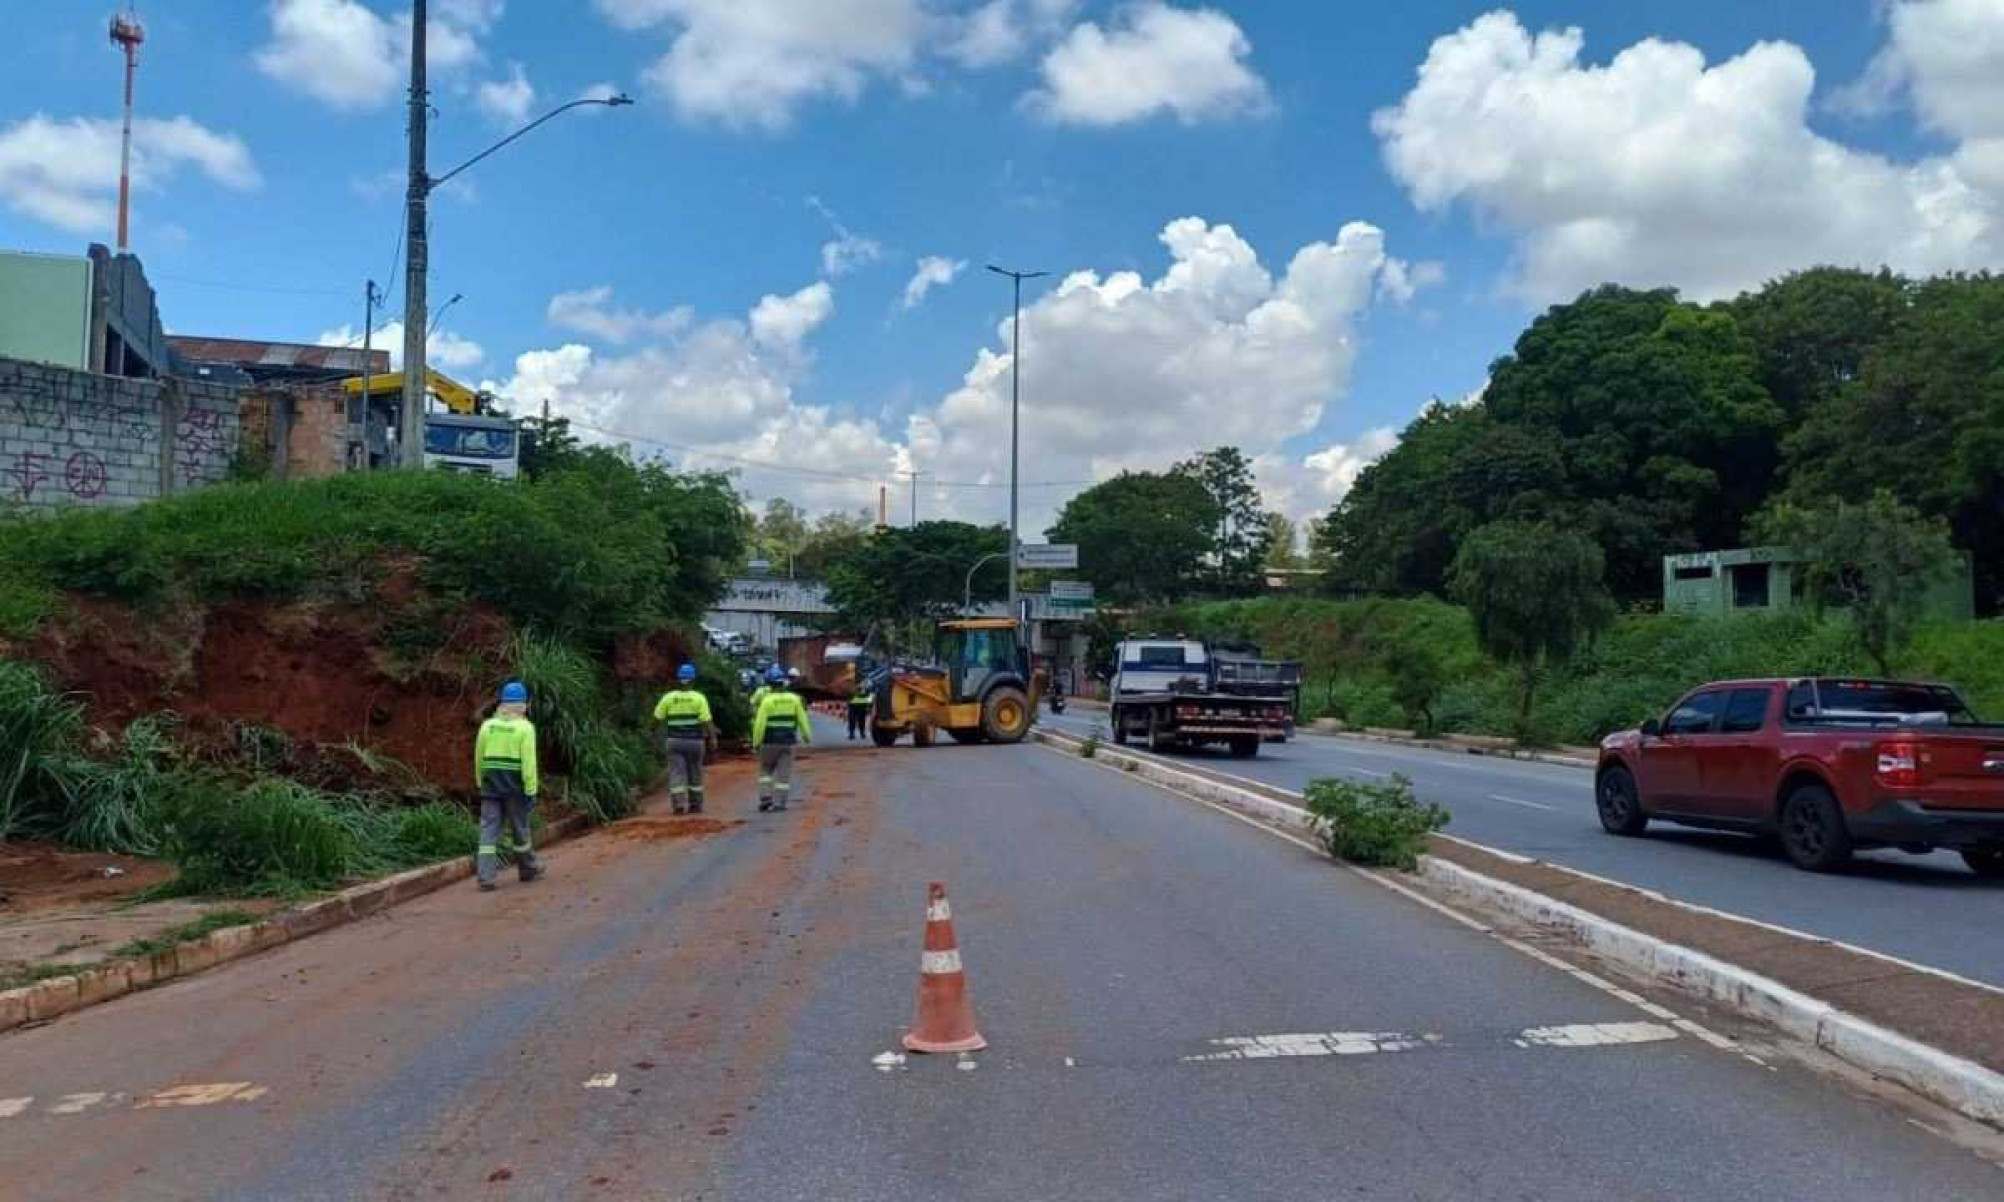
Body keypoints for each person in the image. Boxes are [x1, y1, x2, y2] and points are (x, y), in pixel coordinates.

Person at [474, 680, 543, 891]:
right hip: (515, 788)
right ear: (523, 705)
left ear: (502, 703)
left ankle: (486, 877)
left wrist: (479, 781)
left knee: (488, 832)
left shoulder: (487, 726)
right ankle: (528, 869)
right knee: (520, 830)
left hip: (491, 786)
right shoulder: (525, 728)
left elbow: (479, 757)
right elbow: (529, 764)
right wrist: (531, 790)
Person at [654, 662, 716, 815]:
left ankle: (678, 806)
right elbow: (706, 720)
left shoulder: (668, 698)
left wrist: (651, 732)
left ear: (678, 679)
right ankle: (695, 804)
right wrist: (713, 738)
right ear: (693, 680)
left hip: (674, 741)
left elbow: (657, 718)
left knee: (676, 773)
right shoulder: (699, 698)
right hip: (695, 742)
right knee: (695, 772)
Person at [752, 665, 812, 812]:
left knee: (766, 771)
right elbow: (802, 720)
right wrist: (806, 736)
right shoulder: (795, 699)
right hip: (788, 743)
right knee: (783, 774)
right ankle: (780, 803)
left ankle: (766, 797)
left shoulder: (766, 701)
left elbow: (759, 724)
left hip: (769, 742)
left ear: (770, 684)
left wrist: (756, 743)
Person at [847, 673, 874, 740]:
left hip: (861, 705)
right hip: (854, 705)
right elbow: (848, 693)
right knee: (852, 720)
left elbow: (870, 694)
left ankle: (861, 733)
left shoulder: (866, 684)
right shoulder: (851, 684)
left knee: (861, 720)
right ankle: (852, 733)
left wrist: (869, 705)